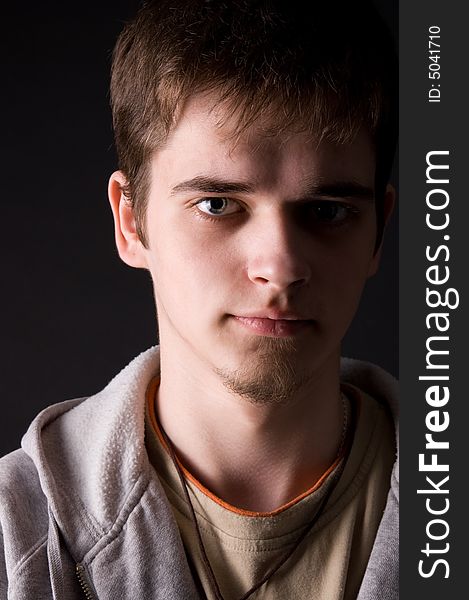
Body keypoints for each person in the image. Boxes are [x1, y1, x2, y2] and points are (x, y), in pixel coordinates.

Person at [0, 0, 398, 598]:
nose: (280, 266)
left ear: (379, 234)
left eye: (328, 211)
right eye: (217, 204)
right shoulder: (12, 538)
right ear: (131, 222)